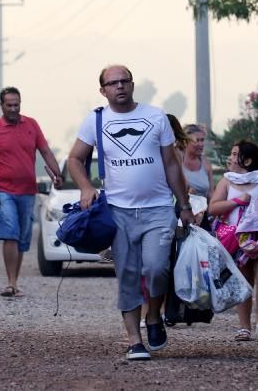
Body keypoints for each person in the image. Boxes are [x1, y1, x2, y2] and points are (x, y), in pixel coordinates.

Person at [68, 65, 194, 361]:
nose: (120, 86)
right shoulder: (96, 120)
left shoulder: (156, 116)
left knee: (156, 268)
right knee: (127, 274)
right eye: (113, 83)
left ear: (133, 84)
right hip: (118, 211)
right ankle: (134, 341)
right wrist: (86, 187)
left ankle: (153, 316)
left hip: (158, 209)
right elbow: (74, 158)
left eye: (125, 81)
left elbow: (172, 164)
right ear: (103, 90)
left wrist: (184, 205)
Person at [0, 86, 63, 298]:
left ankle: (14, 283)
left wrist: (58, 174)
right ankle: (10, 282)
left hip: (27, 191)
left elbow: (45, 151)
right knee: (10, 233)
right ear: (2, 106)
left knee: (23, 238)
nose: (14, 109)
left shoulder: (31, 125)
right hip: (3, 190)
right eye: (9, 105)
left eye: (17, 105)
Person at [208, 140, 258, 342]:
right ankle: (244, 327)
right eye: (232, 153)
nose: (231, 158)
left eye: (236, 154)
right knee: (243, 283)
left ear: (248, 160)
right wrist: (236, 201)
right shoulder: (226, 181)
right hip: (237, 241)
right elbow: (213, 208)